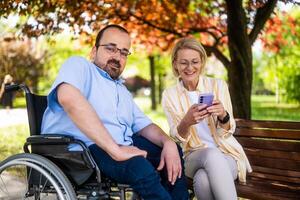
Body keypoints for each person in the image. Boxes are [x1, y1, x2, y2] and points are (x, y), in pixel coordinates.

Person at [41, 24, 189, 200]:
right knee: (139, 168)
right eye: (111, 48)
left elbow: (144, 125)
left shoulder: (121, 90)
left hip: (119, 146)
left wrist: (168, 142)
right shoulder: (79, 66)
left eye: (124, 52)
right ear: (94, 51)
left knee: (173, 154)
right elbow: (68, 97)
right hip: (82, 149)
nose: (117, 57)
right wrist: (116, 150)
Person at [162, 38, 252, 200]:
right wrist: (187, 121)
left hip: (226, 154)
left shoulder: (218, 86)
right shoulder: (170, 95)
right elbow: (178, 138)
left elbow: (227, 132)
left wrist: (223, 115)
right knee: (210, 155)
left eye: (195, 61)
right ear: (175, 64)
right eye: (183, 63)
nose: (190, 68)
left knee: (203, 180)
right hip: (192, 156)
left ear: (202, 61)